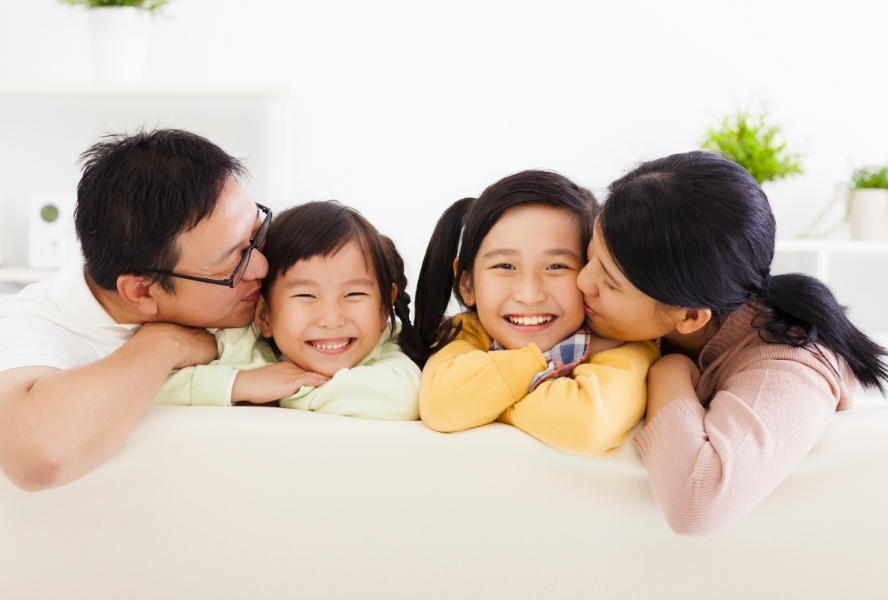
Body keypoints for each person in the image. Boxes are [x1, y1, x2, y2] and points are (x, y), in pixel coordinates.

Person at [577, 150, 888, 534]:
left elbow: (698, 505)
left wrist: (668, 370)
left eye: (609, 282)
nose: (581, 281)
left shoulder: (792, 365)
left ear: (690, 316)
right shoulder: (637, 312)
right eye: (591, 253)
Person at [0, 129, 269, 491]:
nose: (262, 267)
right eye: (233, 262)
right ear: (143, 291)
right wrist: (164, 343)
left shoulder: (255, 279)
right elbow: (39, 455)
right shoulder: (27, 324)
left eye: (255, 233)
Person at [414, 170, 659, 456]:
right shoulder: (467, 330)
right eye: (505, 266)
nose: (529, 295)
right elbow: (442, 404)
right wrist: (544, 362)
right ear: (467, 284)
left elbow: (588, 424)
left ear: (590, 276)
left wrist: (488, 403)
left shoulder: (624, 343)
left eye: (557, 266)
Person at [153, 201, 424, 420]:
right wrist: (243, 384)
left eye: (354, 294)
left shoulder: (388, 346)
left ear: (383, 308)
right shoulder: (241, 343)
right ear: (264, 314)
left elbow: (406, 398)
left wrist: (292, 391)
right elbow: (152, 388)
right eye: (306, 295)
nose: (332, 320)